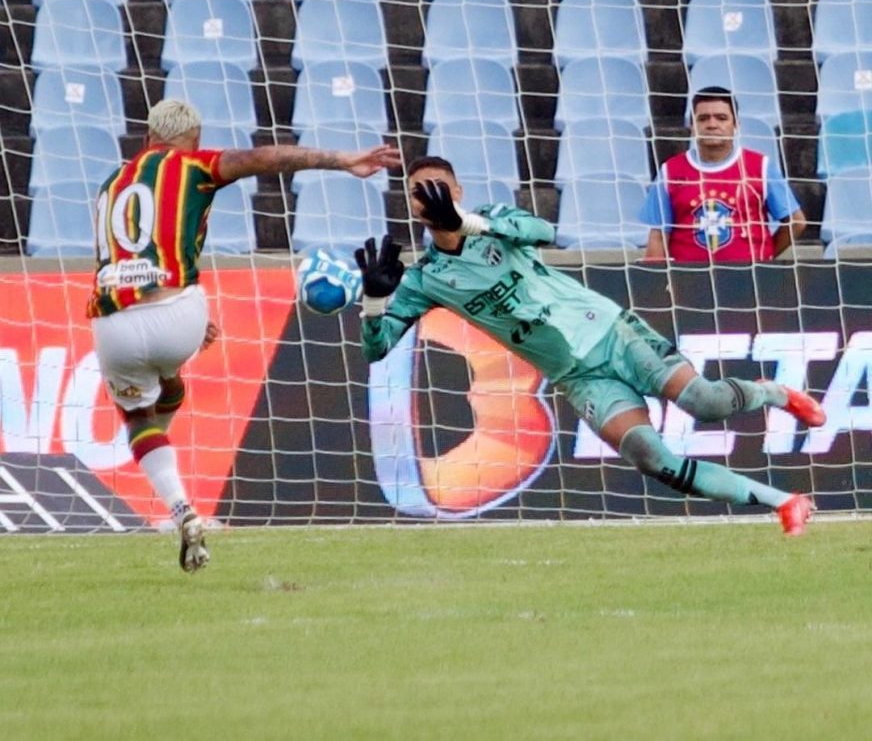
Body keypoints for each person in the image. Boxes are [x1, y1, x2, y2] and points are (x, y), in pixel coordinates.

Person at [355, 155, 826, 535]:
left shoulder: (494, 220)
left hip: (611, 332)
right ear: (412, 207)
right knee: (652, 458)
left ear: (457, 192)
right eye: (419, 192)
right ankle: (784, 502)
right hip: (578, 376)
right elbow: (377, 349)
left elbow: (544, 232)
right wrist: (375, 300)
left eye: (439, 186)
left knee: (705, 402)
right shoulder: (422, 280)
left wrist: (466, 221)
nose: (430, 196)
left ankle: (775, 392)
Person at [87, 99, 401, 571]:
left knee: (137, 416)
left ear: (148, 138)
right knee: (169, 385)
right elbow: (266, 159)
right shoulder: (195, 163)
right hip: (180, 312)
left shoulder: (111, 184)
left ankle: (178, 509)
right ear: (193, 138)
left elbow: (116, 259)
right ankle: (173, 467)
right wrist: (343, 160)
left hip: (113, 320)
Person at [640, 86, 807, 263]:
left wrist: (765, 255)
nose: (712, 125)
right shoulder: (670, 171)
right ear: (692, 126)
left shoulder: (760, 167)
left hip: (750, 279)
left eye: (721, 118)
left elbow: (796, 222)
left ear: (736, 124)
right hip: (688, 281)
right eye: (703, 119)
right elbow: (658, 235)